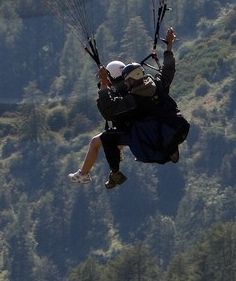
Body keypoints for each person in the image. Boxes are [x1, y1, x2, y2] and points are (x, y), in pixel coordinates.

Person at [69, 26, 189, 188]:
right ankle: (167, 146)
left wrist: (104, 83)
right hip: (162, 128)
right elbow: (168, 69)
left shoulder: (132, 101)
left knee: (104, 139)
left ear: (129, 81)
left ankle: (113, 174)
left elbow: (109, 110)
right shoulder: (158, 84)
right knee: (109, 142)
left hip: (143, 136)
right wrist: (168, 46)